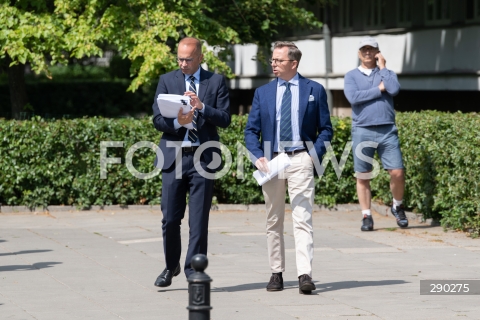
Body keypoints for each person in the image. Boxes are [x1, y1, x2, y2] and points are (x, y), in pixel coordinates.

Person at [244, 41, 333, 294]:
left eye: (278, 60)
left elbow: (326, 129)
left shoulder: (314, 89)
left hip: (300, 159)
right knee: (273, 219)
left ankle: (305, 274)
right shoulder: (263, 93)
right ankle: (276, 273)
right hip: (271, 162)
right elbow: (251, 130)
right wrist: (258, 156)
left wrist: (312, 155)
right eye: (272, 60)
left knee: (302, 218)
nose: (273, 63)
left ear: (293, 63)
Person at [152, 37, 231, 287]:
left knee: (198, 220)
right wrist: (179, 123)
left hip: (203, 157)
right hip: (173, 157)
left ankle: (193, 269)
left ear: (200, 58)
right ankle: (170, 265)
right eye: (179, 58)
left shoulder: (215, 81)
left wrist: (203, 107)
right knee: (170, 219)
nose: (183, 63)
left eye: (188, 59)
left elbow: (225, 118)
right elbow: (156, 119)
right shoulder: (167, 80)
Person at [343, 36, 407, 232]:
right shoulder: (351, 76)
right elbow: (353, 98)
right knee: (363, 176)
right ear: (359, 53)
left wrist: (384, 67)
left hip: (387, 129)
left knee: (397, 172)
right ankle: (366, 216)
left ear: (377, 53)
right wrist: (379, 89)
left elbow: (394, 89)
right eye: (364, 49)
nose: (368, 52)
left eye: (372, 49)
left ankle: (397, 206)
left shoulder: (387, 74)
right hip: (363, 130)